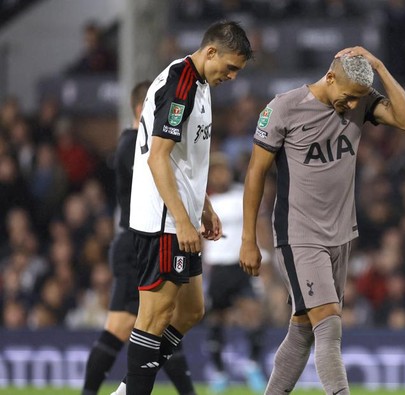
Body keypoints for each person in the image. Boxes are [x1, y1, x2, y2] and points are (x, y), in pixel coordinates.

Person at [239, 46, 405, 395]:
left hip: (341, 234)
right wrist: (248, 238)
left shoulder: (361, 100)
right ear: (331, 76)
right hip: (299, 233)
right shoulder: (284, 107)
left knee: (304, 327)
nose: (352, 106)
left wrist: (378, 64)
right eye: (349, 97)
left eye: (358, 100)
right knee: (329, 323)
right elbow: (255, 173)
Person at [117, 20, 253, 395]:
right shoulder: (181, 84)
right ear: (211, 51)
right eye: (230, 67)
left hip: (181, 216)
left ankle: (130, 386)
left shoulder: (201, 85)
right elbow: (158, 158)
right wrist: (181, 218)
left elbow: (183, 160)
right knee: (155, 316)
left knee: (191, 311)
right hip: (163, 220)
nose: (233, 76)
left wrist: (203, 206)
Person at [81, 82, 197, 395]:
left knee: (164, 318)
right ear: (141, 109)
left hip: (141, 241)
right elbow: (158, 186)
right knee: (128, 325)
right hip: (136, 242)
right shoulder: (132, 146)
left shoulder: (138, 144)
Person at [202, 153, 267, 394]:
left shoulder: (243, 193)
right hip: (217, 267)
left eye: (224, 170)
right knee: (216, 319)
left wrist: (265, 257)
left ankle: (252, 366)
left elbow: (258, 225)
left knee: (253, 313)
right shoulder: (205, 200)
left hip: (240, 264)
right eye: (216, 171)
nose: (221, 175)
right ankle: (219, 373)